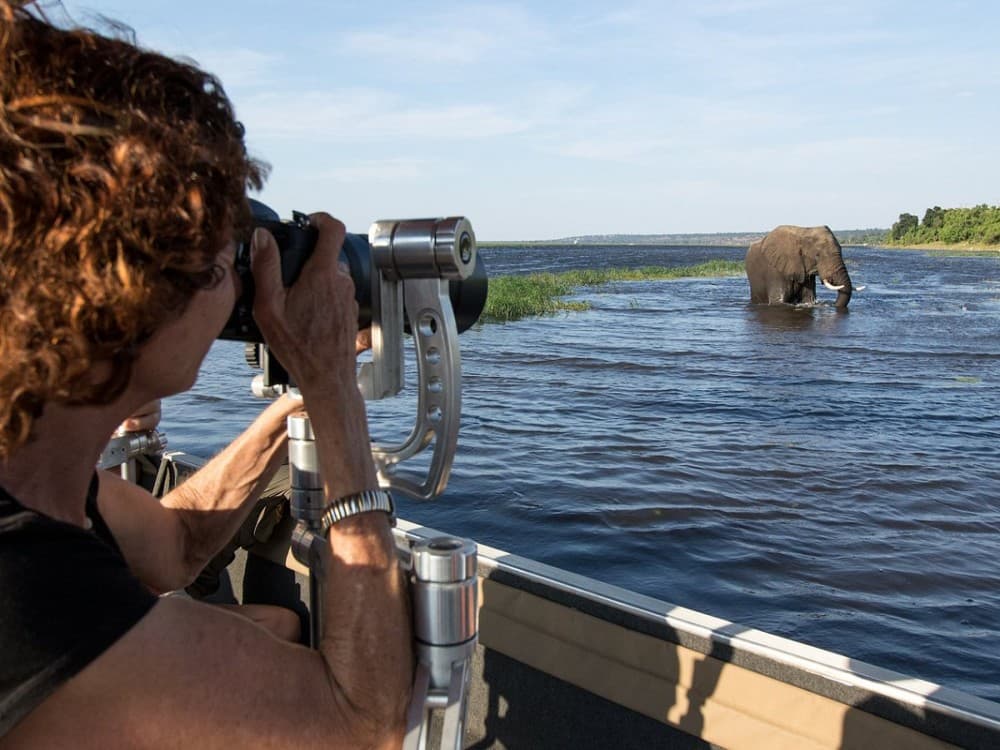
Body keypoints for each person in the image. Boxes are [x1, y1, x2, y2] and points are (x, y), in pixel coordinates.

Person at [0, 2, 413, 747]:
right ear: (129, 289)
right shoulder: (23, 585)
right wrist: (334, 399)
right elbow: (364, 724)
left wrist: (294, 408)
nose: (237, 294)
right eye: (227, 263)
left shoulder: (38, 476)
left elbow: (177, 550)